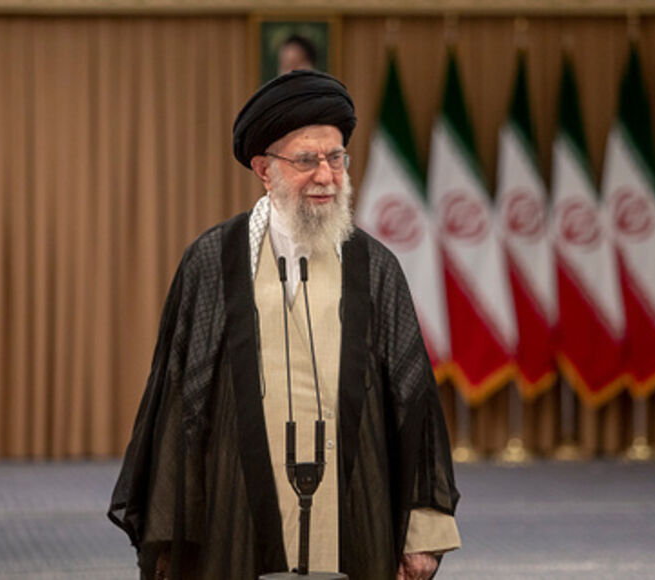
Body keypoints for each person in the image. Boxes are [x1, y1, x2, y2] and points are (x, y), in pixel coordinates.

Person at [109, 70, 460, 580]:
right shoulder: (213, 261)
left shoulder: (373, 266)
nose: (326, 175)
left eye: (336, 158)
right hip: (234, 517)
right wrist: (168, 538)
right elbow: (178, 404)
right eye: (306, 161)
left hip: (357, 510)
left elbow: (415, 405)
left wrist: (423, 535)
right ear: (264, 169)